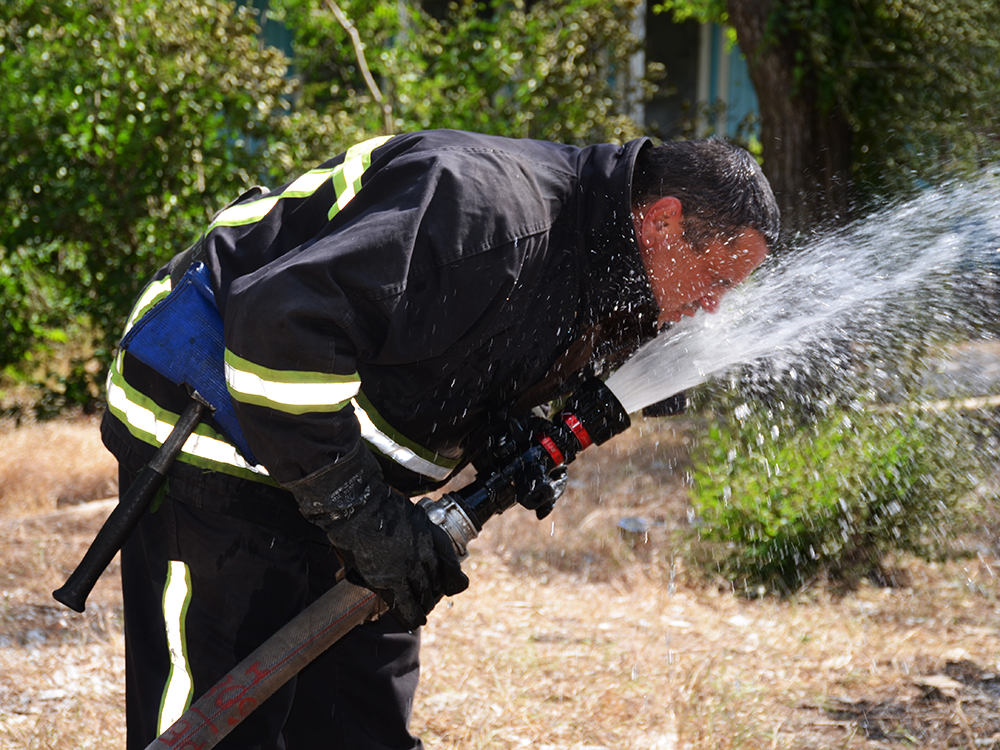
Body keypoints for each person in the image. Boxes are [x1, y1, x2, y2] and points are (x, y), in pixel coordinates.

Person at [100, 129, 779, 749]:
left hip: (329, 459)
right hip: (214, 428)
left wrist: (496, 433)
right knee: (223, 725)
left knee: (357, 726)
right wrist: (361, 515)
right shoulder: (485, 213)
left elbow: (444, 347)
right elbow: (281, 329)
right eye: (717, 279)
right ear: (661, 221)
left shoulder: (596, 260)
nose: (714, 306)